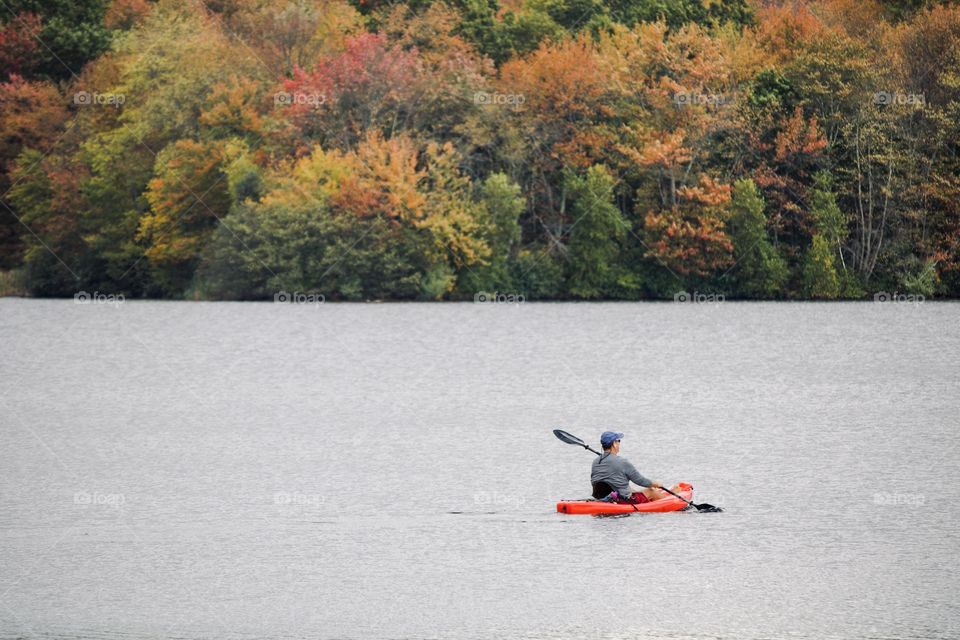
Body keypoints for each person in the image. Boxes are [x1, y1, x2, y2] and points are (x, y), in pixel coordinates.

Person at [591, 431, 669, 504]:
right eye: (618, 441)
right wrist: (656, 483)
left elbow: (594, 481)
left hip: (602, 498)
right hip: (622, 500)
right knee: (652, 491)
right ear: (614, 444)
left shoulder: (595, 462)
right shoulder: (622, 461)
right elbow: (641, 481)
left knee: (634, 490)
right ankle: (670, 504)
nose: (619, 444)